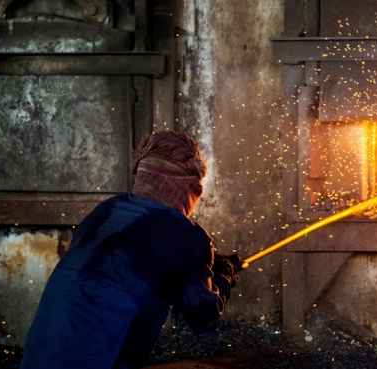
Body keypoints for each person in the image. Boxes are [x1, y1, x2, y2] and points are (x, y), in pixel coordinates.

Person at [20, 131, 242, 369]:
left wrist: (197, 268)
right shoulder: (190, 237)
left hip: (36, 358)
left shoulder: (105, 210)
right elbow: (202, 317)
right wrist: (224, 276)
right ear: (189, 186)